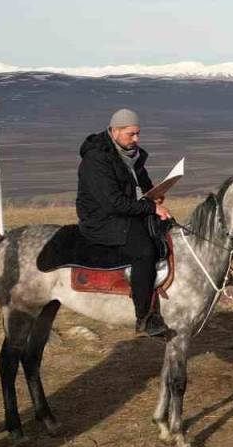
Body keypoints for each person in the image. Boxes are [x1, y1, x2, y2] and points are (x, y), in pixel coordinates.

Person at [75, 109, 175, 339]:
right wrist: (151, 208)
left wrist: (155, 196)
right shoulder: (96, 160)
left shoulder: (132, 154)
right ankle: (145, 317)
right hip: (102, 220)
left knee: (168, 231)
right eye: (132, 134)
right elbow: (113, 203)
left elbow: (144, 184)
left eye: (138, 134)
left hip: (127, 213)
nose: (136, 139)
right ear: (115, 131)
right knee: (143, 251)